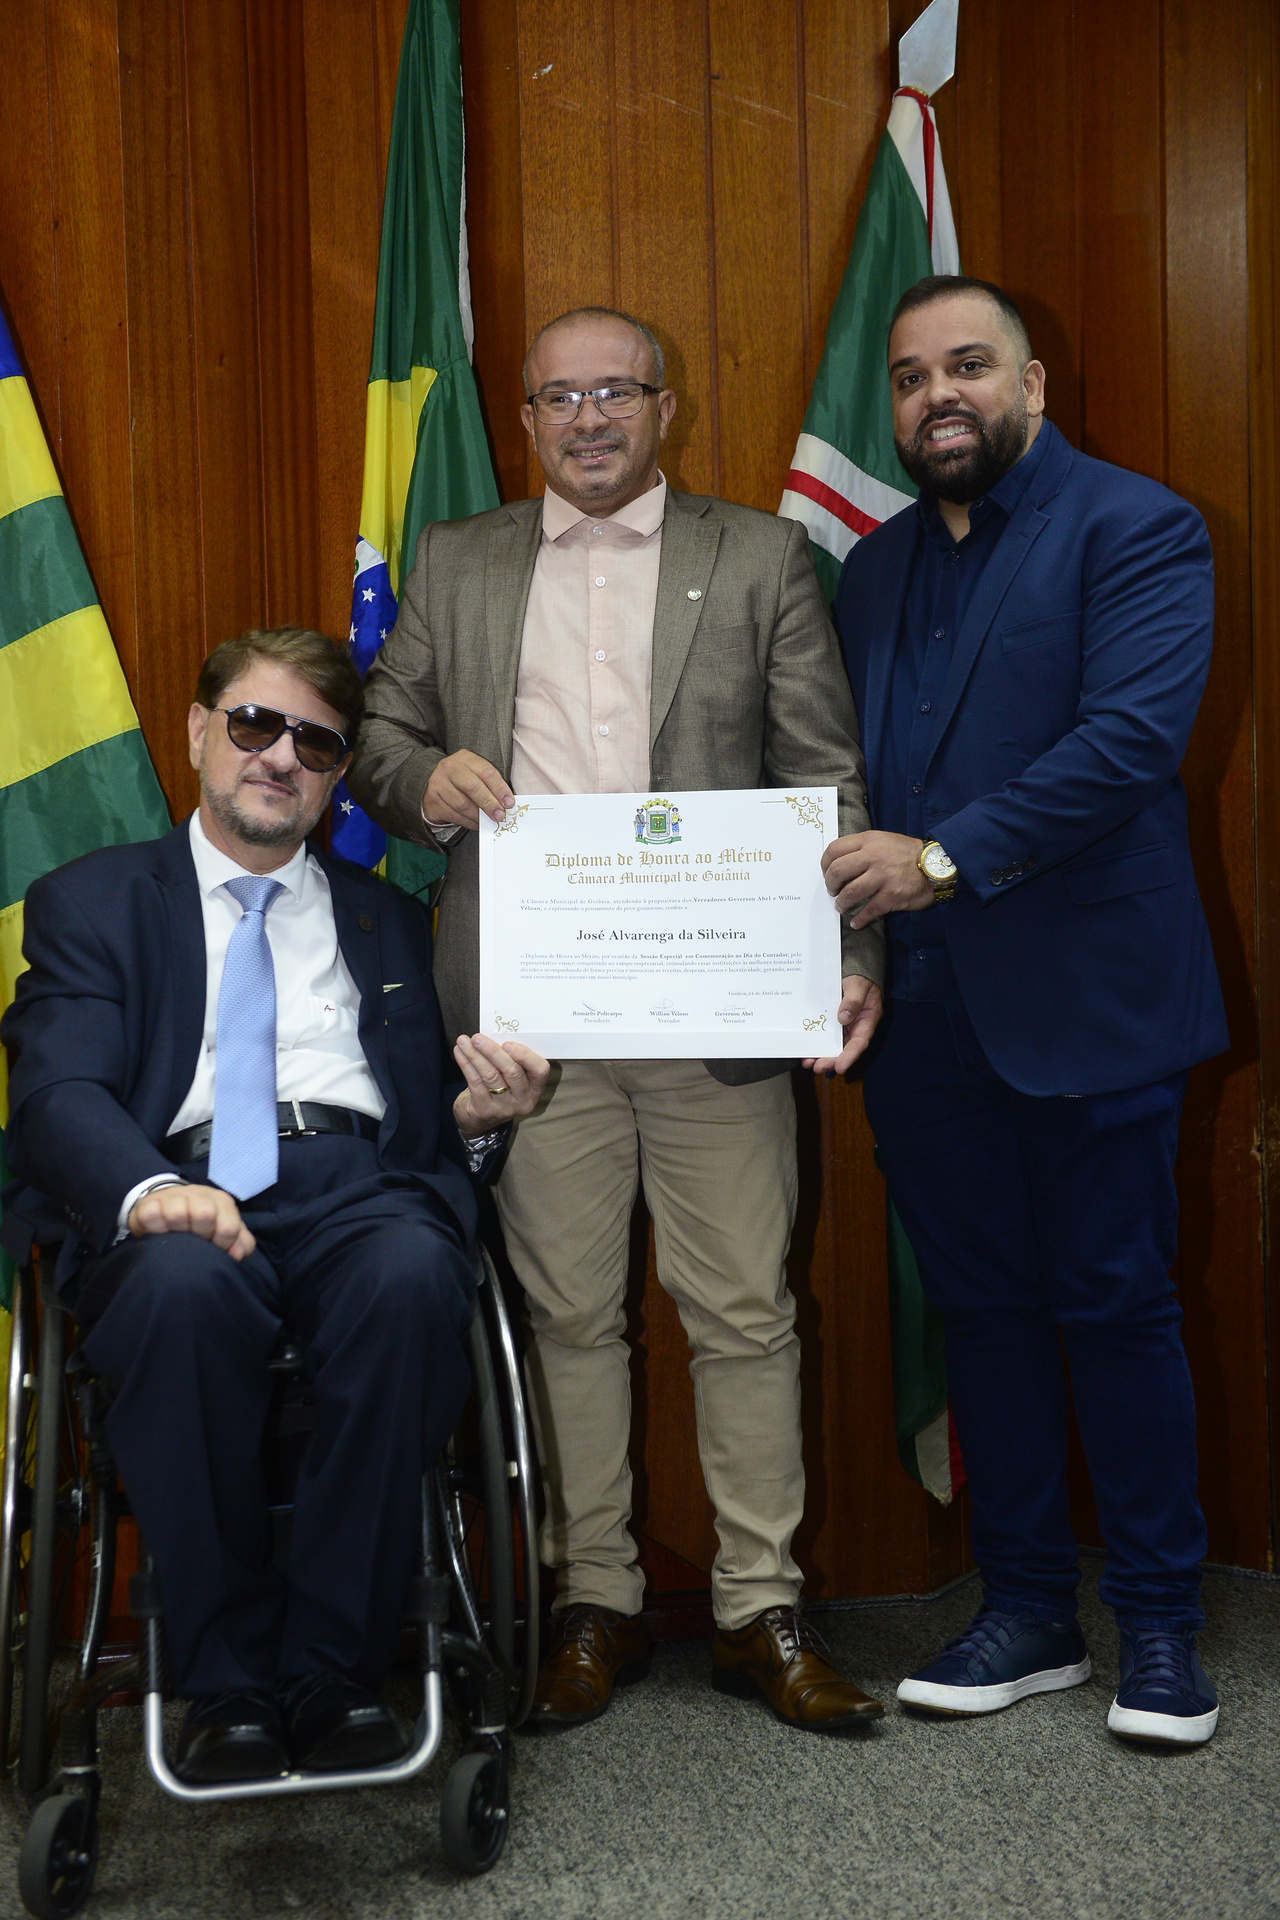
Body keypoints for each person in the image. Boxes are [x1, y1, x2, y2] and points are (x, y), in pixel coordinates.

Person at [347, 306, 887, 1733]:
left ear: (664, 404)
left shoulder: (758, 556)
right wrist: (421, 782)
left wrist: (850, 952)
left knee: (746, 1313)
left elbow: (824, 774)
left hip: (718, 1002)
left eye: (615, 392)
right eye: (558, 397)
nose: (587, 419)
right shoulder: (457, 559)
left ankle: (759, 1607)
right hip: (530, 1025)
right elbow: (380, 738)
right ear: (526, 418)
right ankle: (594, 1599)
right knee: (567, 1314)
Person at [1, 627, 548, 1784]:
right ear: (199, 730)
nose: (280, 756)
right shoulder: (92, 901)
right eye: (254, 724)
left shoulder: (388, 920)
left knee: (414, 1277)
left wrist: (476, 1117)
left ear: (337, 773)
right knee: (182, 1292)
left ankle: (332, 1669)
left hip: (358, 1192)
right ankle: (224, 1683)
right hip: (174, 1189)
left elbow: (420, 1118)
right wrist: (152, 1191)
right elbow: (57, 1093)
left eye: (316, 742)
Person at [826, 275, 1228, 1746]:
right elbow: (848, 782)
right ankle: (1029, 1609)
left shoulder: (1137, 528)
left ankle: (1163, 1628)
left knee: (1116, 1307)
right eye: (911, 375)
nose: (939, 396)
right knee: (984, 1312)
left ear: (1032, 385)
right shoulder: (870, 570)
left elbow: (1128, 742)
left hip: (1088, 1004)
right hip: (923, 1016)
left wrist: (938, 861)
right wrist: (850, 950)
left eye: (968, 366)